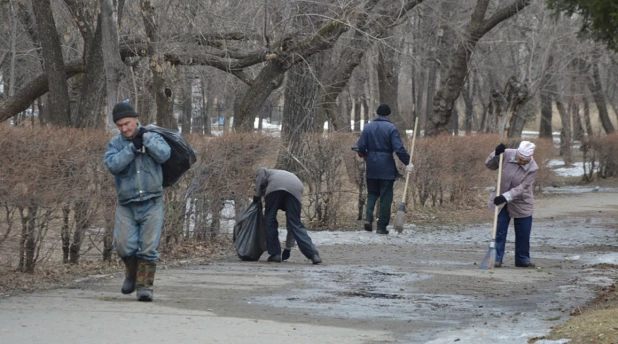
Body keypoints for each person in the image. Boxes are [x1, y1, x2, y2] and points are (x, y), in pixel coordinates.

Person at [104, 102, 171, 301]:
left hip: (152, 201)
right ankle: (132, 273)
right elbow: (112, 165)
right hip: (127, 203)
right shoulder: (115, 144)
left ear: (136, 119)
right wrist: (131, 149)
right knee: (124, 246)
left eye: (127, 123)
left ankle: (145, 287)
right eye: (120, 125)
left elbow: (165, 155)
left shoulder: (152, 136)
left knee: (149, 247)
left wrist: (147, 142)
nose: (124, 128)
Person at [355, 104, 414, 234]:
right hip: (386, 166)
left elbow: (359, 147)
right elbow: (398, 148)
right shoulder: (391, 128)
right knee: (386, 197)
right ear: (388, 115)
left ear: (377, 113)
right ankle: (382, 226)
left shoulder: (368, 127)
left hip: (371, 165)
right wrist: (407, 162)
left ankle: (368, 219)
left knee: (372, 193)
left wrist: (366, 156)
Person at [486, 141, 538, 268]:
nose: (521, 162)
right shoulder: (507, 154)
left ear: (530, 158)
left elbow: (522, 188)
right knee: (500, 229)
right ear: (517, 154)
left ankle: (522, 258)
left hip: (522, 200)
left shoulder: (533, 168)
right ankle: (496, 258)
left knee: (523, 231)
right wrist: (496, 154)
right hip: (500, 196)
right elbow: (489, 165)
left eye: (525, 161)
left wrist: (506, 197)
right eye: (520, 159)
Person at [253, 168, 322, 264]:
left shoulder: (266, 171)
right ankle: (314, 255)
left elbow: (261, 173)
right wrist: (288, 248)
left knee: (269, 219)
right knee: (295, 223)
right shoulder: (280, 173)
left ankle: (275, 254)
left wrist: (257, 196)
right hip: (296, 187)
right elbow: (291, 226)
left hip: (276, 186)